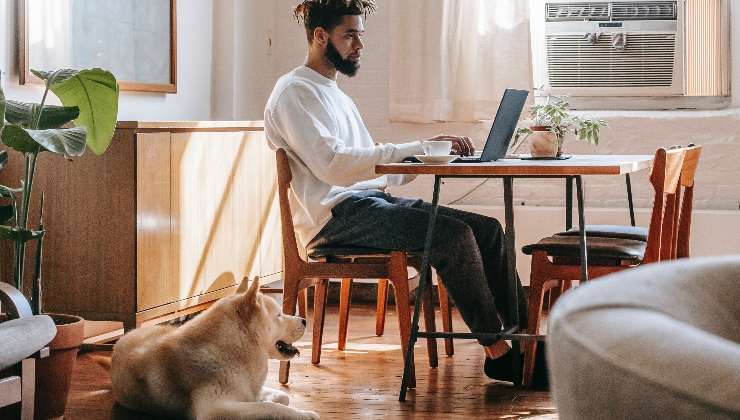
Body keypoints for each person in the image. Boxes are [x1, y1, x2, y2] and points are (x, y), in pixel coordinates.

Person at [264, 0, 527, 382]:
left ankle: (529, 346)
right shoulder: (294, 93)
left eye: (360, 36)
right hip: (335, 219)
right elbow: (334, 166)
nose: (359, 45)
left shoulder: (335, 94)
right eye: (350, 35)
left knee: (488, 230)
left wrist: (431, 156)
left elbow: (375, 169)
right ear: (320, 36)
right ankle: (499, 353)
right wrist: (416, 148)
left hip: (368, 204)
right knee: (452, 235)